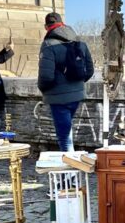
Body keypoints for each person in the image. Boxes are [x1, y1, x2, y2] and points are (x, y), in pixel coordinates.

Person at [37, 12, 90, 151]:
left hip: (58, 97)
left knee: (64, 137)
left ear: (46, 27)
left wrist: (44, 90)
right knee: (67, 131)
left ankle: (69, 171)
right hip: (77, 95)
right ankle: (70, 167)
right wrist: (77, 85)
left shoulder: (48, 45)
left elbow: (46, 76)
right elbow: (89, 71)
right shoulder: (79, 43)